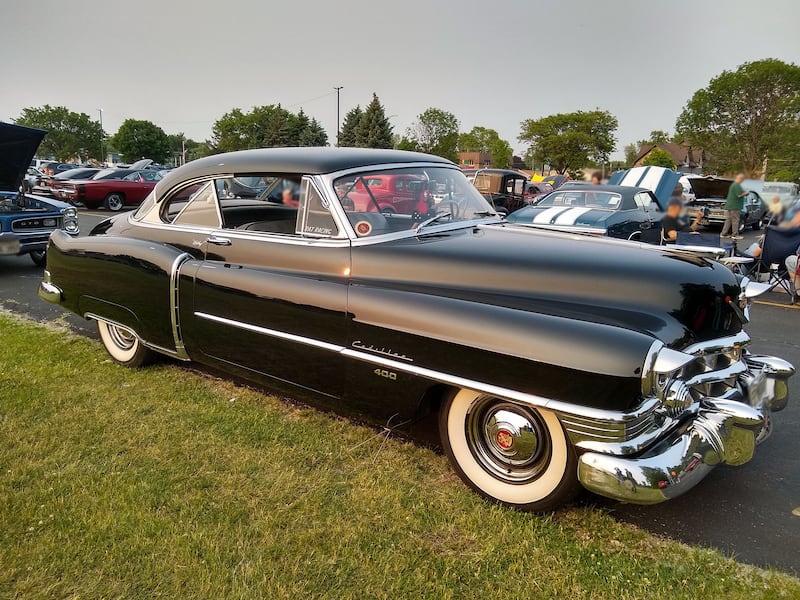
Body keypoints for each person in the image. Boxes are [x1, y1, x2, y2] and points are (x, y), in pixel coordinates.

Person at [720, 173, 748, 238]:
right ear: (740, 179)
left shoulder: (733, 185)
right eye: (743, 179)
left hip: (730, 205)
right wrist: (746, 193)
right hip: (735, 206)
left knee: (728, 220)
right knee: (735, 220)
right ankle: (735, 234)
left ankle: (723, 233)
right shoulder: (736, 185)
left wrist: (744, 193)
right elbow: (739, 195)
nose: (743, 181)